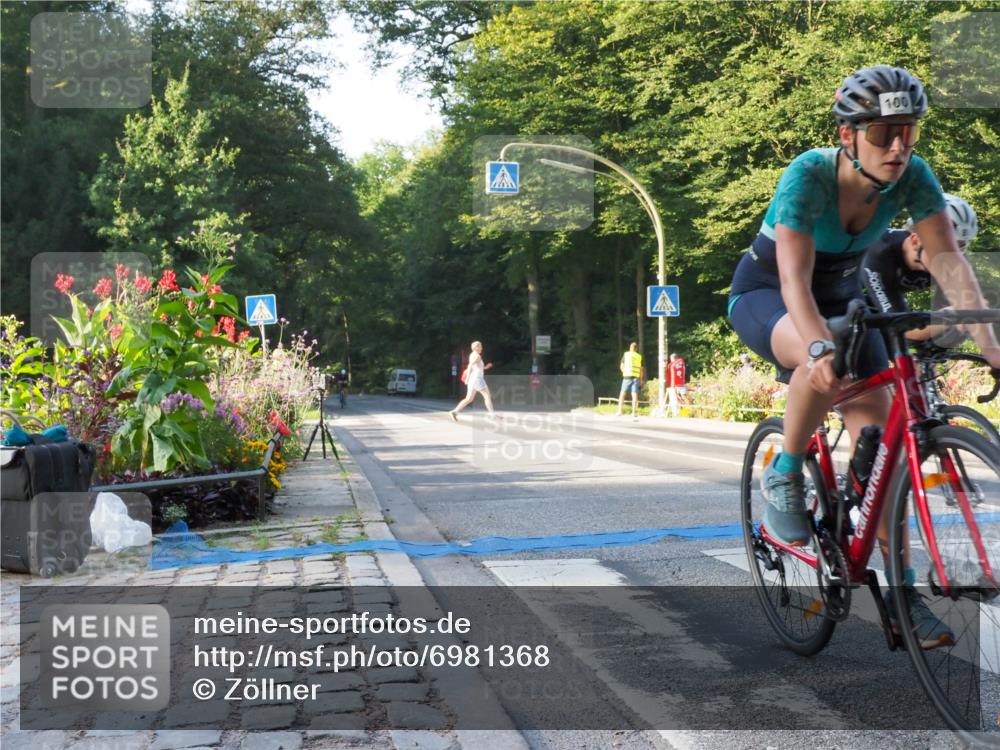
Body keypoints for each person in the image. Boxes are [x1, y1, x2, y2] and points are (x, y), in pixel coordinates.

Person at [727, 65, 1000, 648]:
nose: (898, 147)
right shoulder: (807, 176)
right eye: (882, 133)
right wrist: (822, 346)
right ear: (848, 135)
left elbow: (952, 263)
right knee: (816, 362)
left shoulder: (914, 177)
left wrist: (992, 349)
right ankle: (784, 472)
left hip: (845, 298)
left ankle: (900, 600)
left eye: (909, 131)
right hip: (770, 294)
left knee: (884, 458)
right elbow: (795, 283)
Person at [860, 193, 980, 345]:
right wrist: (953, 315)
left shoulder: (957, 262)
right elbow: (905, 328)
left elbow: (955, 314)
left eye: (960, 246)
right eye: (943, 246)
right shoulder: (879, 253)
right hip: (831, 295)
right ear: (916, 240)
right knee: (875, 356)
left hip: (880, 303)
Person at [449, 341, 496, 420]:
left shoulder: (472, 355)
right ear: (476, 348)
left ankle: (455, 411)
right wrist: (467, 378)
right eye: (480, 346)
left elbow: (476, 367)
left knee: (468, 399)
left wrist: (485, 367)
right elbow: (470, 365)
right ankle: (492, 414)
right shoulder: (477, 356)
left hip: (473, 379)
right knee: (487, 396)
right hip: (478, 379)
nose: (481, 348)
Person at [616, 342, 643, 419]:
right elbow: (641, 370)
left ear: (630, 348)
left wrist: (624, 372)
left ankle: (619, 411)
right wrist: (641, 380)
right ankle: (634, 412)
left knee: (622, 394)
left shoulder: (626, 354)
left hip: (627, 376)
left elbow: (621, 366)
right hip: (636, 377)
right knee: (634, 395)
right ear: (636, 349)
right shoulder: (639, 356)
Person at [667, 352, 687, 417]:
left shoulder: (674, 364)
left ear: (673, 358)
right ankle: (683, 411)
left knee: (681, 397)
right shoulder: (681, 363)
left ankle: (689, 408)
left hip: (676, 384)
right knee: (680, 397)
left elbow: (673, 375)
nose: (670, 360)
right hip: (681, 382)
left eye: (671, 359)